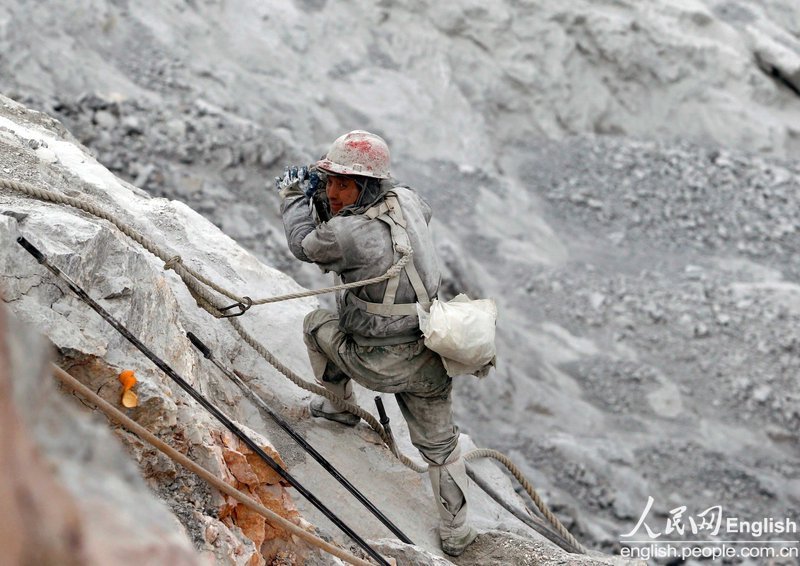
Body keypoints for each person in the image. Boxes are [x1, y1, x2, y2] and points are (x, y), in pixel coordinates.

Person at [276, 130, 477, 556]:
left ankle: (339, 408)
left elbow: (303, 245)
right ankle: (458, 534)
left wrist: (296, 198)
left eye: (342, 184)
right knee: (441, 447)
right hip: (430, 351)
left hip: (374, 359)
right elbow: (410, 219)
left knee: (316, 324)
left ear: (363, 186)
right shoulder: (408, 198)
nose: (331, 192)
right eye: (329, 182)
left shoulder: (346, 235)